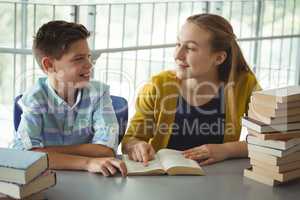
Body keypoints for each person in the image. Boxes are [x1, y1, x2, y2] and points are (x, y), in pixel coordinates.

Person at [122, 14, 260, 166]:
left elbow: (272, 140)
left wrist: (227, 150)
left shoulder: (244, 85)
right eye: (178, 44)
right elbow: (130, 140)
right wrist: (136, 146)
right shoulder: (158, 86)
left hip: (218, 181)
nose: (178, 55)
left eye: (191, 48)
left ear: (219, 58)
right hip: (163, 182)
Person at [11, 20, 127, 177]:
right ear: (49, 65)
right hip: (46, 180)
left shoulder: (99, 92)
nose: (89, 65)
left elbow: (106, 150)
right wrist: (87, 162)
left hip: (91, 181)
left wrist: (45, 153)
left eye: (88, 56)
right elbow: (27, 157)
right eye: (79, 59)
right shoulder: (35, 98)